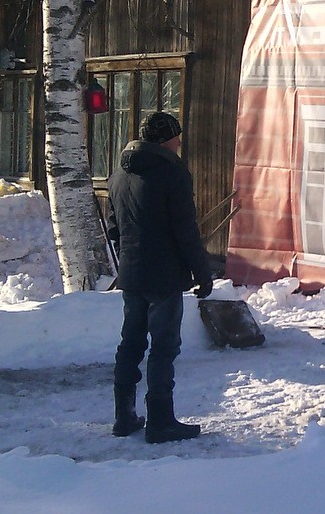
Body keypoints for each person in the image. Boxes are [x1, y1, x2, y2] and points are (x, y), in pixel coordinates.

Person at [108, 111, 213, 443]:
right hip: (164, 275)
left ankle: (124, 416)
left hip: (131, 272)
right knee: (164, 347)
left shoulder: (118, 175)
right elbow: (185, 229)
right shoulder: (172, 173)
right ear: (165, 139)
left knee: (131, 343)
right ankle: (161, 421)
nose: (179, 142)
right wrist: (202, 271)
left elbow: (113, 229)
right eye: (176, 136)